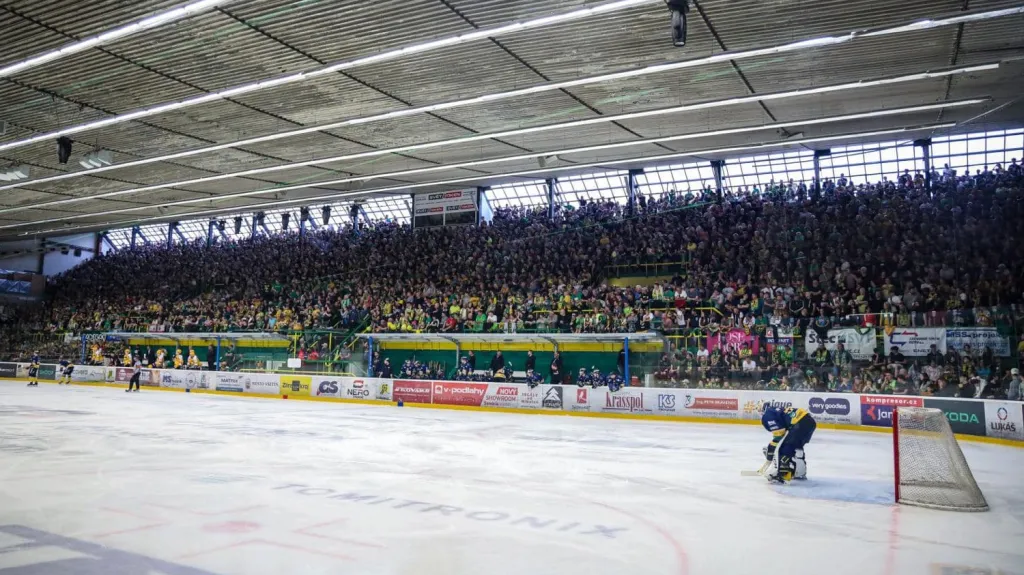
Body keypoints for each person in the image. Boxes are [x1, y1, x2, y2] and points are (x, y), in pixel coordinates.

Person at [761, 405, 817, 484]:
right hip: (809, 422)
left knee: (784, 449)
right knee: (797, 447)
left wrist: (771, 447)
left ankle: (783, 474)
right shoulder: (777, 410)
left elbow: (779, 435)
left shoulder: (768, 414)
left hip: (800, 423)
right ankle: (800, 472)